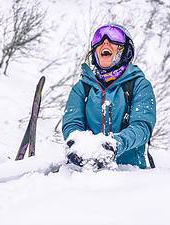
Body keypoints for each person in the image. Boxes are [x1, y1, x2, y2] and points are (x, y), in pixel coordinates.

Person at [62, 24, 156, 169]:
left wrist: (114, 145)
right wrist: (76, 142)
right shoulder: (82, 88)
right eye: (99, 38)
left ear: (125, 51)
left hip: (129, 174)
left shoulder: (139, 85)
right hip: (84, 173)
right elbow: (72, 123)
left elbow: (142, 127)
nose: (105, 42)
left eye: (115, 38)